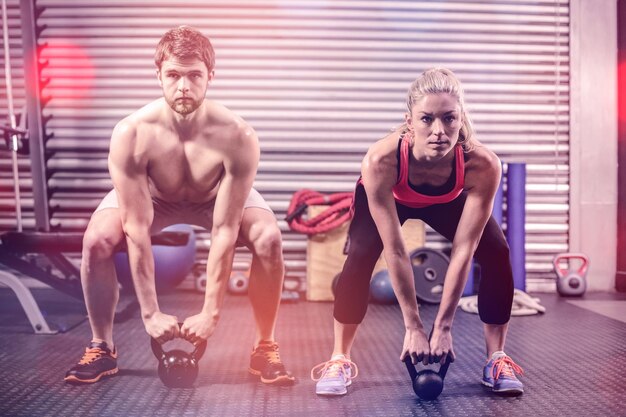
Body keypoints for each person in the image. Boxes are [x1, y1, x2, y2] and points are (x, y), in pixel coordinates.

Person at [64, 26, 294, 386]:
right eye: (173, 75)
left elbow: (225, 230)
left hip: (214, 197)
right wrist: (151, 313)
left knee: (268, 238)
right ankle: (102, 346)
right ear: (158, 75)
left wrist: (210, 313)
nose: (183, 86)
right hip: (153, 196)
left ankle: (265, 346)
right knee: (96, 240)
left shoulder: (238, 136)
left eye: (194, 75)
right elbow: (136, 228)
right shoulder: (132, 133)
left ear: (210, 77)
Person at [311, 68, 524, 396]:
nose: (439, 130)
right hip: (392, 194)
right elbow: (395, 250)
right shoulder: (381, 160)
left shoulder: (482, 165)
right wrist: (413, 326)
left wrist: (443, 326)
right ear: (409, 121)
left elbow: (464, 249)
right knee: (361, 253)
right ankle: (339, 357)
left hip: (447, 198)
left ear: (461, 118)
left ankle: (496, 357)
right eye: (427, 119)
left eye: (449, 118)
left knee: (496, 251)